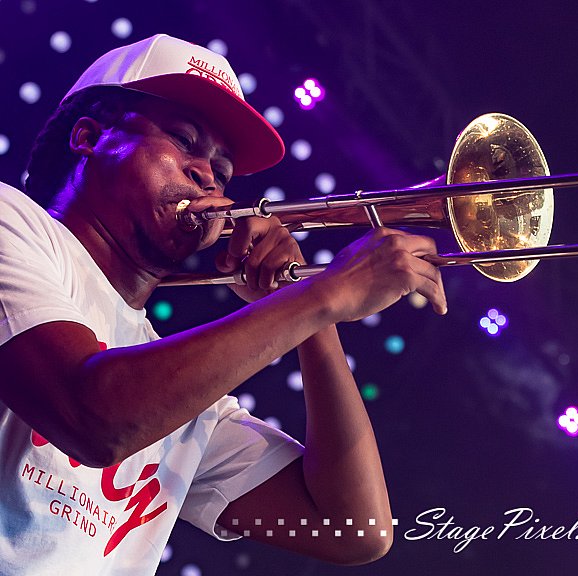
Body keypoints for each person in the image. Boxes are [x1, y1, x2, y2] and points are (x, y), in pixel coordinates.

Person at [0, 33, 447, 574]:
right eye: (183, 139)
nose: (207, 175)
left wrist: (308, 311)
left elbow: (354, 530)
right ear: (90, 137)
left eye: (223, 170)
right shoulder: (10, 221)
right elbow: (92, 417)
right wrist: (323, 294)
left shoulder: (180, 395)